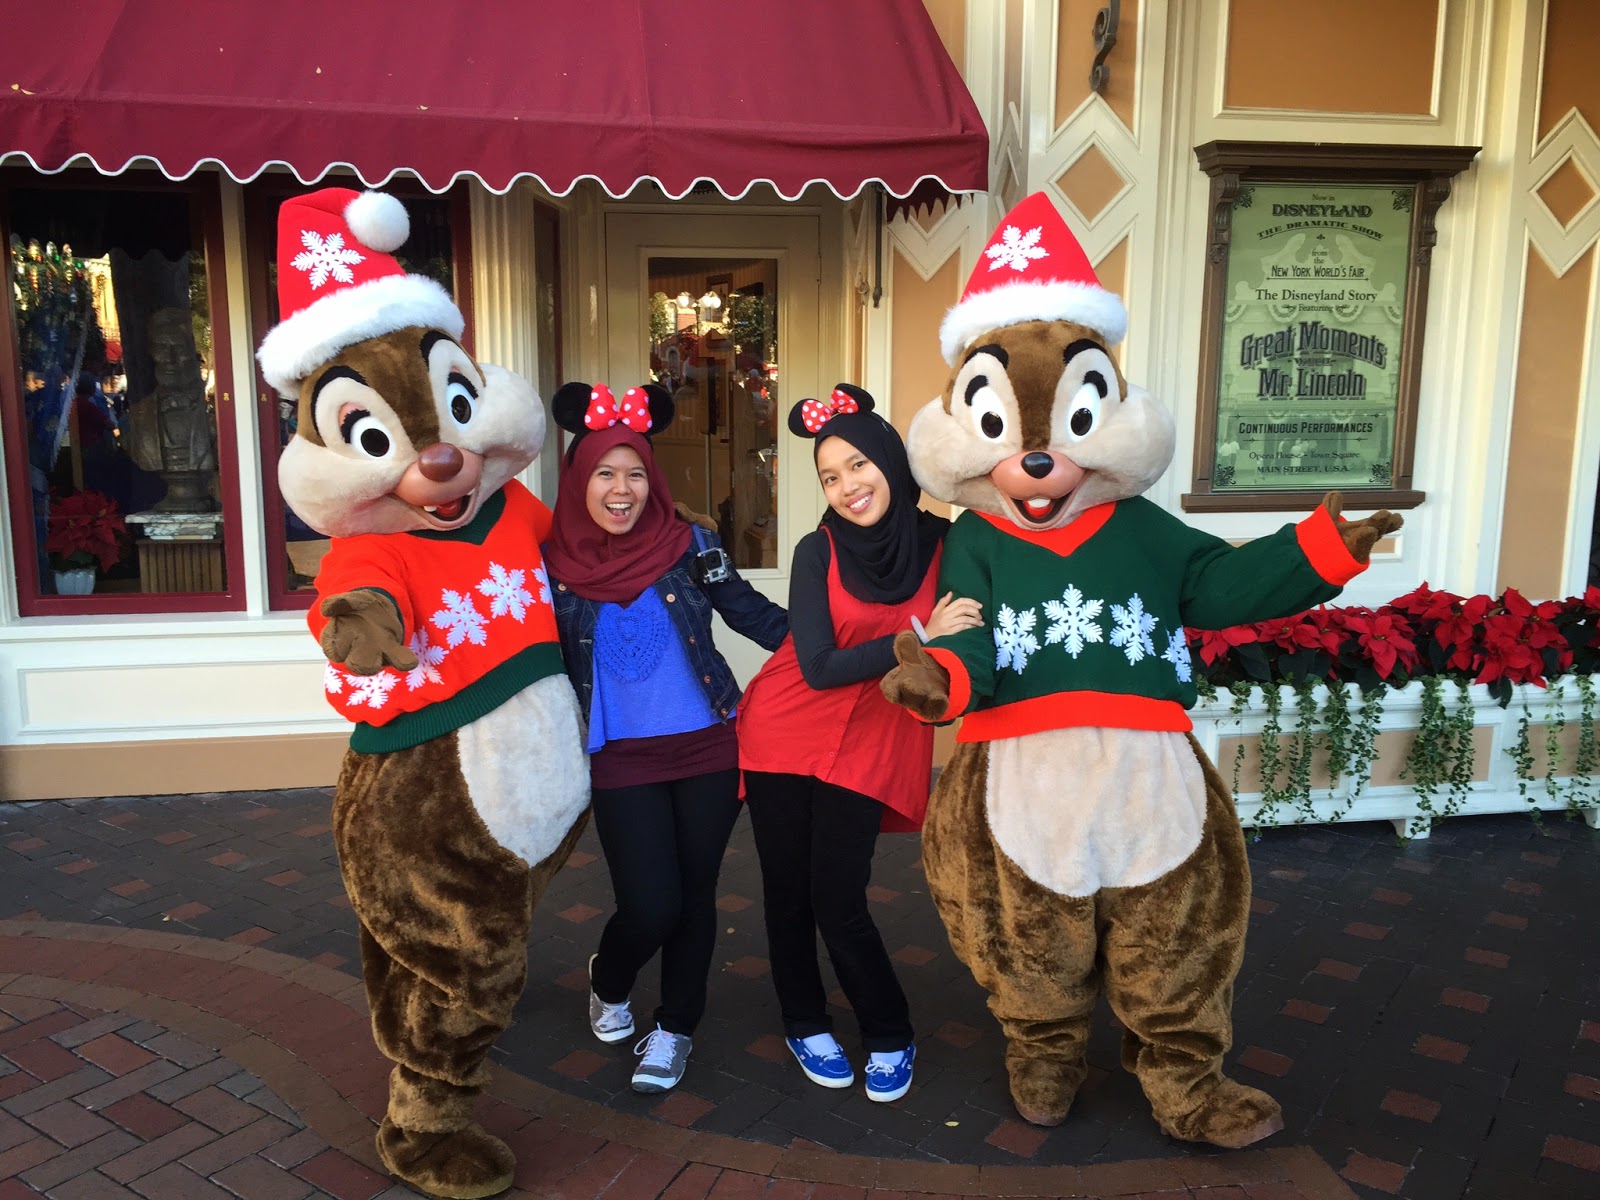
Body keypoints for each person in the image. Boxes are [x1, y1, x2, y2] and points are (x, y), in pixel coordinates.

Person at [737, 384, 982, 1103]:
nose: (847, 487)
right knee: (788, 894)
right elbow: (817, 666)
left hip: (872, 740)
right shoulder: (817, 550)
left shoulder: (947, 544)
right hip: (784, 732)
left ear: (889, 462)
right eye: (829, 477)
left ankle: (889, 1031)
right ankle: (803, 1020)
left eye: (857, 465)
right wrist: (919, 637)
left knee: (838, 897)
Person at [543, 381, 788, 1094]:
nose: (621, 490)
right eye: (604, 474)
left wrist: (851, 648)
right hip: (621, 759)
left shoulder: (691, 545)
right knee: (651, 904)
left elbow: (753, 615)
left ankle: (675, 1028)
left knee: (695, 896)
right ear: (579, 480)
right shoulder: (548, 568)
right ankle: (609, 977)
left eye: (635, 474)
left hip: (709, 745)